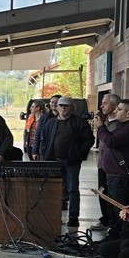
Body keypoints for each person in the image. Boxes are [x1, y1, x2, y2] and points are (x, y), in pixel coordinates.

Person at [36, 96, 95, 228]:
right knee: (54, 188)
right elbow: (43, 139)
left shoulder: (80, 122)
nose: (63, 108)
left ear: (72, 108)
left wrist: (77, 154)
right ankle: (53, 215)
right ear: (56, 107)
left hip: (71, 161)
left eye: (66, 105)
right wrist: (44, 154)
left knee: (72, 189)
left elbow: (88, 140)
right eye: (60, 105)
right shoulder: (50, 123)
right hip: (53, 161)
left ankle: (73, 217)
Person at [95, 99, 129, 240]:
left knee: (123, 211)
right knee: (113, 210)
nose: (116, 111)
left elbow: (111, 141)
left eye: (119, 109)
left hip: (122, 177)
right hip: (114, 175)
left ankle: (123, 239)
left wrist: (100, 127)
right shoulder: (124, 126)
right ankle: (114, 236)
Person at [96, 94, 123, 226]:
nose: (102, 106)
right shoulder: (104, 120)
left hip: (113, 166)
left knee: (113, 196)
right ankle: (105, 220)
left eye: (105, 103)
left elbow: (111, 142)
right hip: (102, 163)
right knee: (102, 192)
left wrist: (100, 126)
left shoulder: (120, 124)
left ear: (114, 106)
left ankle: (115, 225)